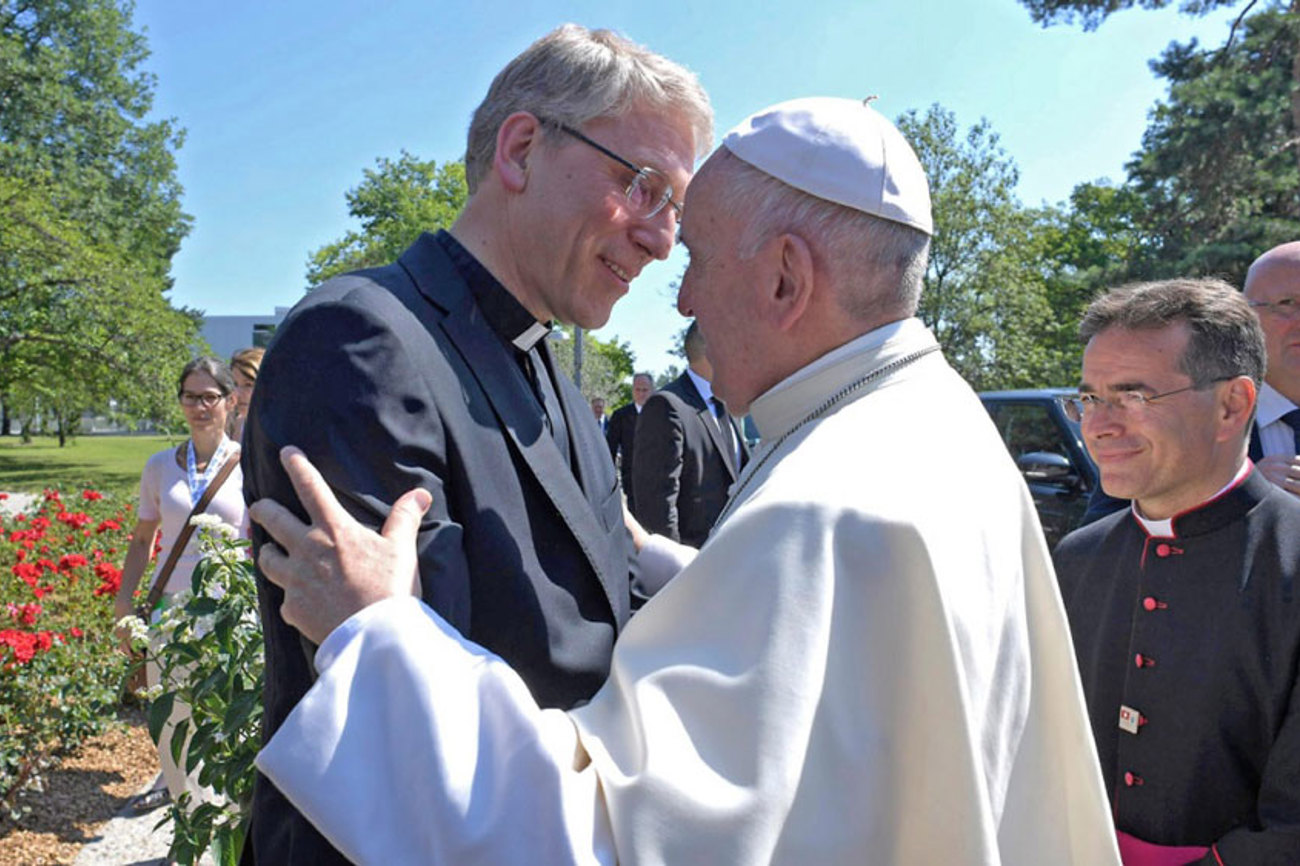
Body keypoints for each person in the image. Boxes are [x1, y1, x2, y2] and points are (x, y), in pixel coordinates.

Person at [251, 97, 1119, 865]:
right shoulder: (933, 426)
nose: (682, 296)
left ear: (785, 277)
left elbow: (597, 843)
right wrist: (658, 558)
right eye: (641, 188)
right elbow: (828, 636)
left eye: (697, 251)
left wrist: (376, 635)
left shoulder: (824, 503)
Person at [240, 24, 712, 863]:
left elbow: (600, 618)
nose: (662, 237)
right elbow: (396, 690)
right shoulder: (359, 342)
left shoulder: (558, 382)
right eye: (644, 187)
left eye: (675, 207)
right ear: (523, 149)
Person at [1052, 278, 1300, 863]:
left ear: (1232, 404)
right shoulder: (1078, 558)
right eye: (1089, 397)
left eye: (1134, 396)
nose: (1099, 426)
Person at [114, 356, 246, 816]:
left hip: (234, 613)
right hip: (171, 611)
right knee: (173, 724)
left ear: (231, 402)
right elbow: (142, 540)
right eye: (190, 396)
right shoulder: (158, 466)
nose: (199, 406)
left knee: (231, 722)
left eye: (210, 396)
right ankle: (189, 825)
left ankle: (231, 825)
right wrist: (124, 606)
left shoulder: (252, 464)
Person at [631, 321, 749, 545]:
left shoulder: (727, 404)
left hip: (732, 554)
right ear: (715, 347)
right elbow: (657, 506)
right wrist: (676, 569)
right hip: (692, 565)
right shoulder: (667, 406)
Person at [1243, 241, 1300, 495]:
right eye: (1288, 303)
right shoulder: (1196, 420)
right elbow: (1116, 526)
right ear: (1246, 316)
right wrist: (1240, 494)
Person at [604, 371, 653, 503]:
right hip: (631, 478)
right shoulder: (621, 416)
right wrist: (608, 478)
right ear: (632, 390)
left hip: (657, 480)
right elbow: (610, 448)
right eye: (638, 389)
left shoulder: (662, 415)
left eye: (645, 390)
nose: (641, 393)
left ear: (652, 391)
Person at [228, 346, 264, 441]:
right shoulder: (238, 425)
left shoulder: (282, 428)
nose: (237, 393)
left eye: (248, 385)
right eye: (234, 384)